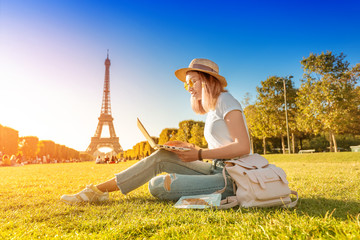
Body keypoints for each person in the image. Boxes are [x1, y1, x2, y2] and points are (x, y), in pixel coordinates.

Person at [60, 58, 251, 204]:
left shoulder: (227, 101)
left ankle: (222, 197)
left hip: (232, 179)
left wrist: (199, 154)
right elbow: (223, 144)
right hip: (216, 169)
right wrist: (188, 147)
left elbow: (242, 146)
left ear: (208, 81)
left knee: (157, 186)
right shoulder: (213, 108)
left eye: (192, 82)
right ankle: (97, 191)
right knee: (161, 156)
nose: (188, 88)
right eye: (186, 84)